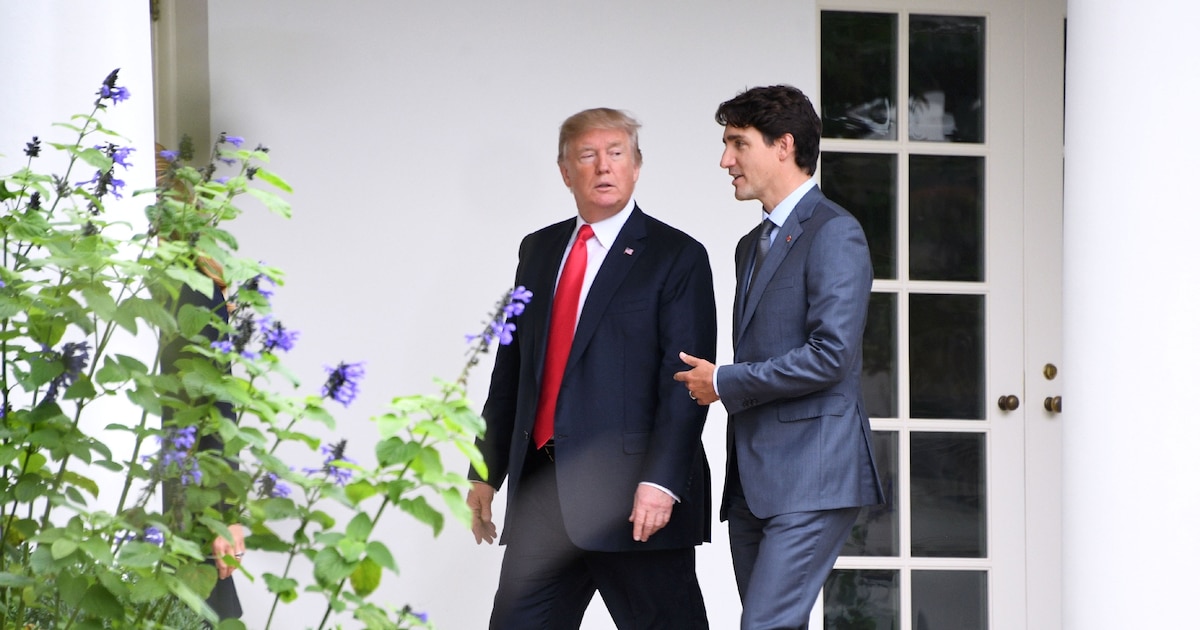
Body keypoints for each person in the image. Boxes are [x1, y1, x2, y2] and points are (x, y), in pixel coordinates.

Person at [467, 107, 717, 629]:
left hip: (635, 500)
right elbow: (512, 367)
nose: (604, 167)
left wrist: (662, 483)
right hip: (544, 491)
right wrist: (487, 470)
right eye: (588, 155)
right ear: (565, 171)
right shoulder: (537, 251)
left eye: (616, 153)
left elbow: (684, 387)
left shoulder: (677, 257)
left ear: (637, 166)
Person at [674, 85, 885, 629]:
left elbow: (830, 355)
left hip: (813, 472)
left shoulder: (835, 232)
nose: (726, 161)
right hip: (754, 479)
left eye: (737, 144)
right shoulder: (750, 244)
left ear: (783, 145)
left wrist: (724, 381)